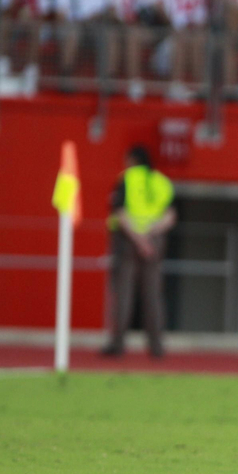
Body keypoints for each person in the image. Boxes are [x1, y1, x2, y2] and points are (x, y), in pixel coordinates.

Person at [101, 147, 176, 358]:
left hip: (129, 240)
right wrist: (151, 235)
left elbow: (120, 212)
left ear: (133, 160)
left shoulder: (128, 179)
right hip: (156, 240)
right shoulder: (162, 182)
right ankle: (157, 346)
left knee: (124, 292)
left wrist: (139, 239)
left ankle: (118, 344)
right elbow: (170, 215)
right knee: (153, 294)